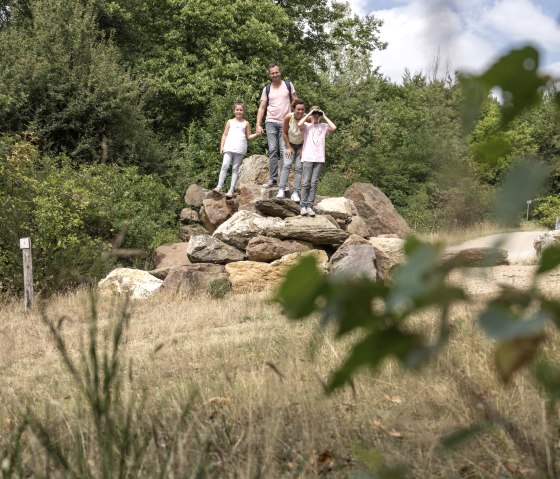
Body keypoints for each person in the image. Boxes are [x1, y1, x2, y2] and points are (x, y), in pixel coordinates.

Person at [256, 64, 297, 188]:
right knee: (273, 150)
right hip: (270, 122)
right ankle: (273, 179)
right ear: (270, 75)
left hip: (285, 122)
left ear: (280, 72)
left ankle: (283, 181)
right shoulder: (267, 88)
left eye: (276, 72)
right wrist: (258, 124)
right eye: (272, 73)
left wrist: (298, 120)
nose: (275, 75)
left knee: (284, 151)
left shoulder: (288, 85)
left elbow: (296, 103)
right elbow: (262, 107)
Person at [214, 101, 261, 198]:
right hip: (229, 147)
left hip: (240, 148)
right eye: (237, 110)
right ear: (234, 111)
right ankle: (219, 186)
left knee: (235, 169)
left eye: (241, 110)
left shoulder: (246, 123)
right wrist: (222, 146)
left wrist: (256, 134)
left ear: (243, 111)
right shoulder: (229, 122)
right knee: (225, 165)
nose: (239, 111)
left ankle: (231, 190)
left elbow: (248, 136)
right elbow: (225, 134)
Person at [298, 105, 336, 216]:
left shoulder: (323, 126)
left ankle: (310, 206)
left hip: (319, 158)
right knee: (305, 183)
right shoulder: (306, 126)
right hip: (308, 157)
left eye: (317, 114)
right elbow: (299, 124)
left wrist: (324, 116)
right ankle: (303, 206)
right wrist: (310, 114)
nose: (316, 115)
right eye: (314, 113)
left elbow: (333, 128)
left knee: (313, 183)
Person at [277, 98, 306, 202]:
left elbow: (309, 134)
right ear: (294, 109)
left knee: (299, 168)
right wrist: (288, 147)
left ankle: (295, 193)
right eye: (298, 109)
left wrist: (303, 148)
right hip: (289, 144)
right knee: (287, 165)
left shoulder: (306, 118)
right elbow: (284, 133)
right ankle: (281, 189)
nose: (300, 111)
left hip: (301, 145)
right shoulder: (289, 117)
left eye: (302, 109)